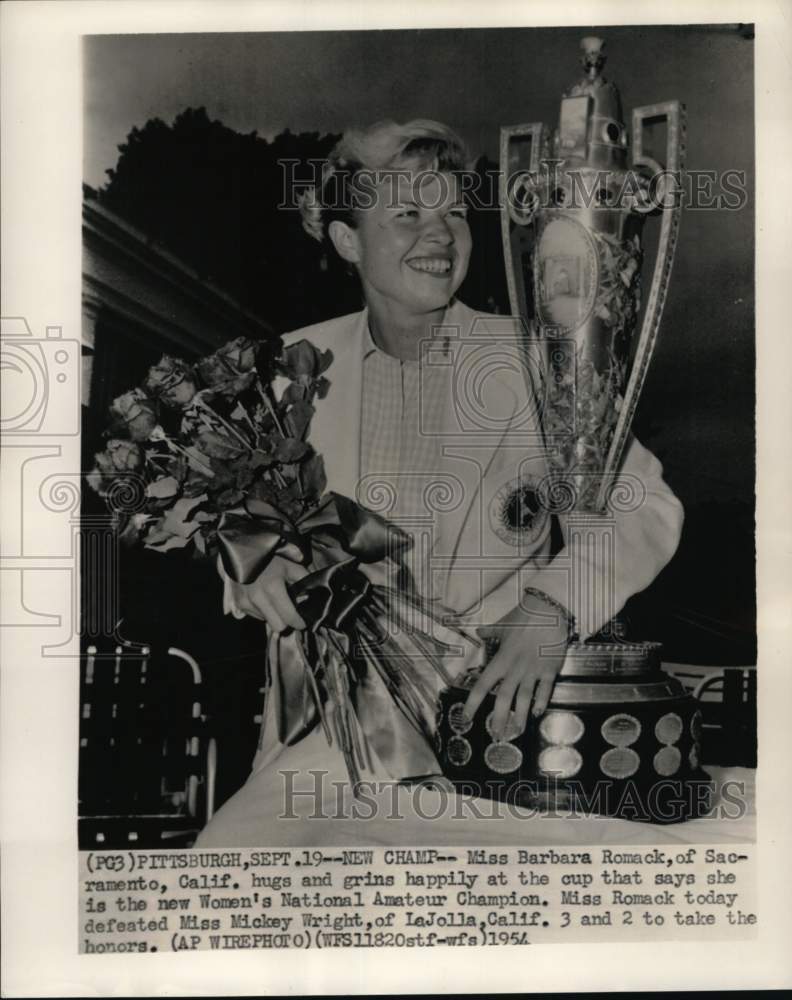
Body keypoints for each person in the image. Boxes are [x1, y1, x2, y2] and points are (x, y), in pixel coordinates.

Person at [196, 119, 683, 845]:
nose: (442, 235)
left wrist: (554, 606)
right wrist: (250, 564)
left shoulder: (535, 359)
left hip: (495, 728)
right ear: (347, 240)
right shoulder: (287, 370)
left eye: (455, 211)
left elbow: (647, 504)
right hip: (339, 739)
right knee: (230, 863)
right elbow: (234, 523)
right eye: (408, 215)